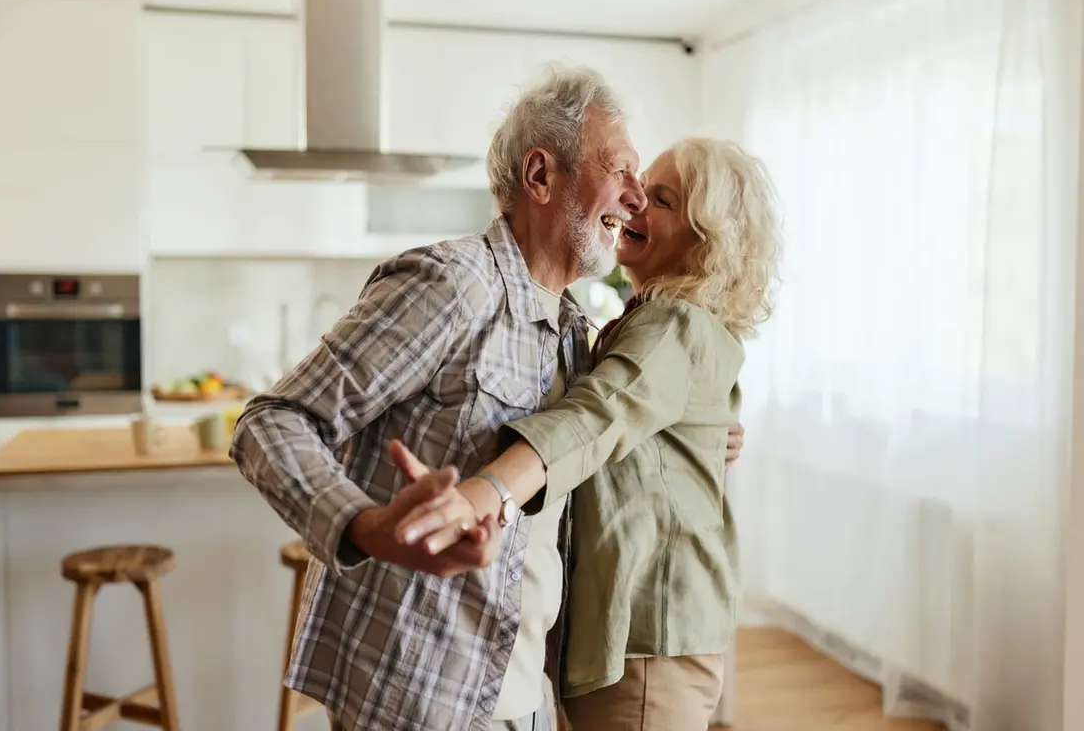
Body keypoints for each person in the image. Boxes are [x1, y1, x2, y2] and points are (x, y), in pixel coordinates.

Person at [230, 65, 746, 731]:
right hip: (424, 695)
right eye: (620, 169)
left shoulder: (572, 331)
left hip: (525, 690)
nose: (636, 195)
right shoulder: (452, 285)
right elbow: (270, 421)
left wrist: (703, 439)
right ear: (540, 176)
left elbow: (594, 438)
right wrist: (365, 526)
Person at [393, 136, 782, 730]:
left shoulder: (673, 324)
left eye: (662, 199)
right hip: (638, 637)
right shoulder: (644, 321)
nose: (633, 201)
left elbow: (595, 417)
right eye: (638, 186)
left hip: (648, 641)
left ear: (705, 240)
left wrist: (485, 492)